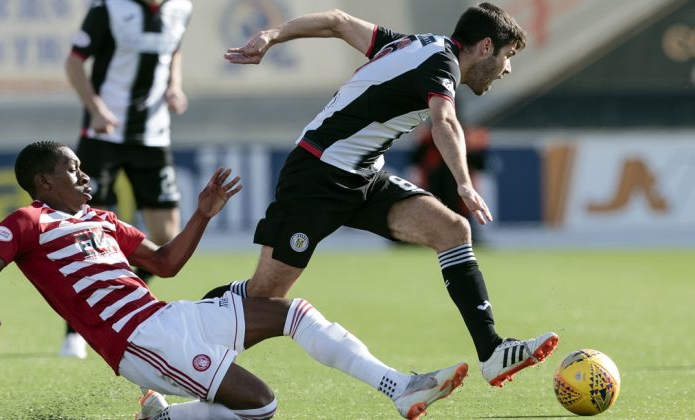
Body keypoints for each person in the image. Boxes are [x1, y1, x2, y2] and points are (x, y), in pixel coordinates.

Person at [0, 141, 468, 420]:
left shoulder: (105, 219)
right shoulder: (27, 222)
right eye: (74, 170)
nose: (86, 177)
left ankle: (398, 387)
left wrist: (202, 214)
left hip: (168, 316)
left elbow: (167, 265)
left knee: (295, 312)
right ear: (45, 182)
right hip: (137, 342)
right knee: (262, 406)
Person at [209, 3, 559, 387]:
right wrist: (463, 182)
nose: (507, 68)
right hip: (317, 175)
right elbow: (444, 121)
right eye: (508, 56)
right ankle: (175, 340)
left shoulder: (414, 46)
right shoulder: (440, 63)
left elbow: (338, 22)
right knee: (263, 297)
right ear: (486, 46)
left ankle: (491, 351)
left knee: (453, 230)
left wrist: (273, 35)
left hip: (362, 177)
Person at [62, 0, 192, 358]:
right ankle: (74, 330)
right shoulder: (109, 9)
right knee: (92, 236)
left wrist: (174, 86)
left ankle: (118, 302)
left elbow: (173, 49)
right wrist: (97, 109)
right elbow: (73, 64)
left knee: (166, 239)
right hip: (103, 137)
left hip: (153, 137)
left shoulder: (182, 8)